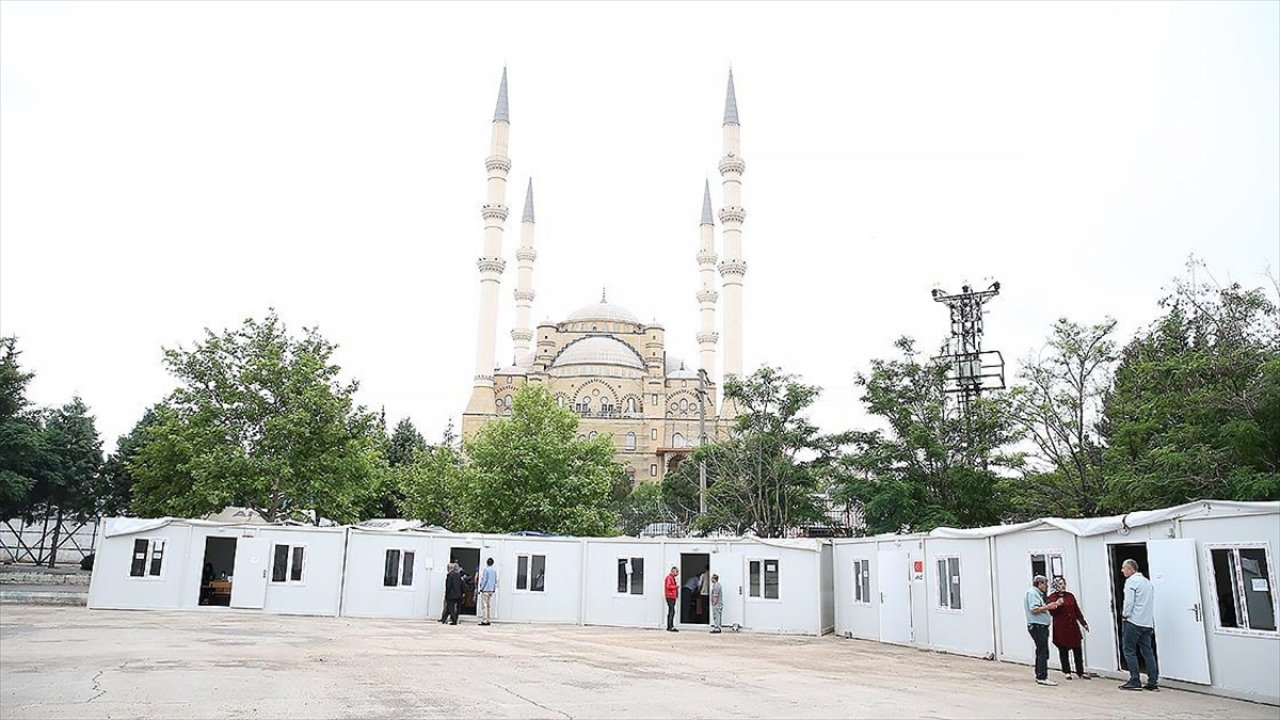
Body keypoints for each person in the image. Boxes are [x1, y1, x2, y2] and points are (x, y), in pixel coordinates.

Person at [1119, 559, 1159, 691]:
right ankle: (1153, 681)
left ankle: (1135, 680)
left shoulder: (1131, 582)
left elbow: (1129, 601)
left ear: (1130, 569)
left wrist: (1125, 614)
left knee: (1129, 650)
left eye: (1124, 568)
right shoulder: (1148, 583)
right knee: (1147, 651)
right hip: (1147, 623)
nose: (1122, 570)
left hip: (1133, 621)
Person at [1046, 576, 1091, 680]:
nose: (1063, 586)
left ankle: (1080, 671)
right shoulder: (1051, 597)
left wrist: (1083, 622)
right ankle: (1067, 671)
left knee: (1077, 649)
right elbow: (1052, 612)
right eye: (1060, 584)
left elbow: (1076, 610)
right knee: (1063, 650)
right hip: (1061, 627)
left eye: (1064, 584)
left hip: (1072, 627)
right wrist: (1057, 604)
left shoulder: (1070, 596)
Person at [1025, 574, 1062, 686]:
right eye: (1045, 584)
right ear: (1039, 584)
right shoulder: (1032, 593)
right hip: (1038, 626)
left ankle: (1040, 674)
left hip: (1040, 626)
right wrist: (1048, 607)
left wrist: (1054, 604)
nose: (1046, 586)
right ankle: (1042, 676)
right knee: (1042, 651)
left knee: (1041, 650)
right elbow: (1034, 609)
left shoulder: (1037, 594)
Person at [477, 557, 498, 626]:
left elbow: (484, 579)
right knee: (488, 605)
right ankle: (488, 619)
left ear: (487, 563)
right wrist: (494, 589)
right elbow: (495, 581)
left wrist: (481, 588)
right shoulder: (494, 571)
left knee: (484, 605)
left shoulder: (486, 570)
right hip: (491, 590)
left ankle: (485, 620)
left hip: (485, 589)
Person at [664, 566, 679, 632]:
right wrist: (676, 587)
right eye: (676, 571)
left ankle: (670, 626)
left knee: (671, 611)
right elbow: (668, 586)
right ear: (673, 571)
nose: (677, 573)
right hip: (670, 596)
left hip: (672, 596)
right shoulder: (669, 578)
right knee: (671, 611)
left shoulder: (672, 578)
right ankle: (670, 626)